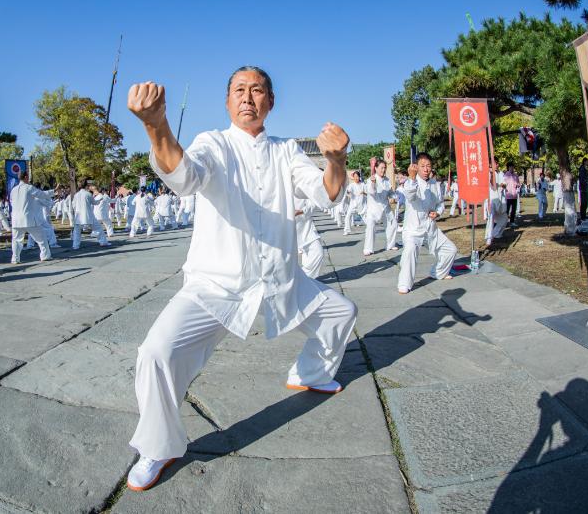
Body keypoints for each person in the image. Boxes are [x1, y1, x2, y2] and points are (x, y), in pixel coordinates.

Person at [123, 69, 356, 492]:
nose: (248, 97)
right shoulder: (213, 143)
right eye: (239, 90)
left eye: (257, 90)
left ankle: (310, 373)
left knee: (341, 312)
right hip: (217, 285)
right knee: (156, 353)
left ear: (270, 102)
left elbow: (326, 192)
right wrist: (155, 125)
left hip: (280, 281)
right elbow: (185, 176)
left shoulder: (287, 151)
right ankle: (159, 445)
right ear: (228, 101)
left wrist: (336, 160)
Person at [397, 153, 457, 294]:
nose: (426, 169)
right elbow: (410, 196)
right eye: (422, 166)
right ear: (416, 167)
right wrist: (411, 178)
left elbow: (440, 203)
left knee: (451, 250)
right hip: (413, 229)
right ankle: (404, 283)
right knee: (410, 251)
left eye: (428, 166)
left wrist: (437, 212)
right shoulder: (410, 183)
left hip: (430, 227)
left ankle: (437, 272)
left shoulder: (434, 184)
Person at [9, 171, 53, 263]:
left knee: (16, 240)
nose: (28, 178)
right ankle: (45, 256)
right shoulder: (29, 188)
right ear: (25, 177)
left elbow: (12, 203)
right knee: (41, 238)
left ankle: (15, 259)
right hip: (28, 219)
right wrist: (54, 191)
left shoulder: (13, 190)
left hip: (16, 219)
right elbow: (42, 194)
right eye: (28, 177)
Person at [362, 160, 395, 256]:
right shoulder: (370, 179)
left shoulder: (387, 180)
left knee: (392, 224)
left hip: (385, 207)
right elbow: (371, 192)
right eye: (381, 168)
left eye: (385, 168)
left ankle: (390, 244)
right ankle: (368, 248)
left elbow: (390, 192)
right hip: (373, 209)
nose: (383, 170)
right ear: (375, 168)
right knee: (370, 228)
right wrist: (373, 183)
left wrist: (393, 197)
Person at [71, 179, 109, 249]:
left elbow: (73, 205)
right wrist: (100, 199)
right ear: (86, 186)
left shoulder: (76, 195)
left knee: (77, 232)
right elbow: (94, 202)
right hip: (88, 216)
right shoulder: (88, 194)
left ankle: (75, 246)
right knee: (99, 228)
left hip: (78, 216)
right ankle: (103, 242)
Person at [295, 196, 325, 278]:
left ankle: (306, 279)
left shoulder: (303, 186)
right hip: (286, 229)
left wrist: (301, 211)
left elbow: (314, 204)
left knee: (318, 253)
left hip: (306, 228)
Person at [503, 162, 520, 227]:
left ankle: (512, 222)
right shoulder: (506, 175)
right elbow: (503, 184)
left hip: (514, 195)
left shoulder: (516, 175)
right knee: (506, 210)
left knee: (513, 210)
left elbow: (518, 183)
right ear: (508, 167)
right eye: (510, 167)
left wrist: (518, 185)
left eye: (512, 167)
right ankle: (504, 222)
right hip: (508, 195)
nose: (512, 168)